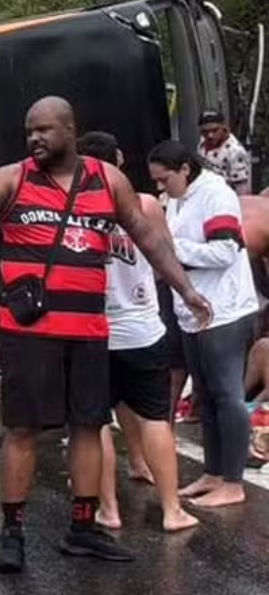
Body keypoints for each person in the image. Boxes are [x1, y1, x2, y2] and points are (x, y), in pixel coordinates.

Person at [0, 97, 211, 572]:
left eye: (45, 130)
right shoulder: (14, 178)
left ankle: (83, 528)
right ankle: (13, 534)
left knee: (89, 425)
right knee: (23, 429)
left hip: (89, 329)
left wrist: (187, 290)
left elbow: (148, 239)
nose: (35, 138)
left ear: (70, 130)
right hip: (29, 332)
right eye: (30, 130)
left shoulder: (107, 180)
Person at [76, 131, 198, 532]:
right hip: (143, 327)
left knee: (97, 425)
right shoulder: (145, 205)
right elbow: (165, 256)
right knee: (154, 419)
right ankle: (171, 510)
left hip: (93, 331)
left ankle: (108, 509)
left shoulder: (74, 208)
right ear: (121, 158)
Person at [151, 139, 259, 508]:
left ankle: (234, 481)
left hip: (224, 309)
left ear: (185, 169)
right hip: (193, 311)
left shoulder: (216, 194)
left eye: (165, 180)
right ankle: (213, 473)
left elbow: (226, 250)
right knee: (205, 395)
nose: (161, 189)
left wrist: (172, 249)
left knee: (228, 394)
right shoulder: (179, 198)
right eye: (157, 183)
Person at [197, 110, 253, 195]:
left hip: (226, 198)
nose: (210, 135)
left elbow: (242, 188)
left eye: (214, 130)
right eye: (205, 131)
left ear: (224, 127)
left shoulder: (235, 152)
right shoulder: (203, 141)